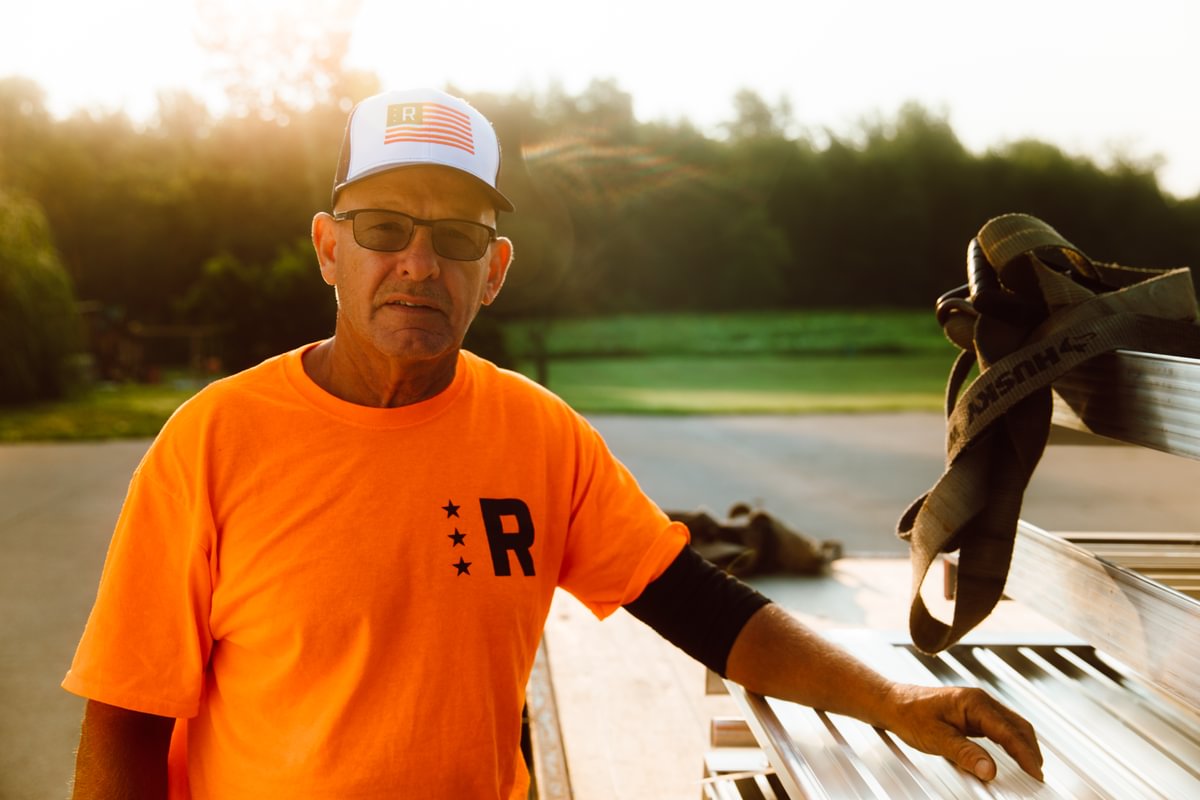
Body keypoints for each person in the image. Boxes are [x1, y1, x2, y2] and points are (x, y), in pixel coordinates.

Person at [64, 88, 1043, 799]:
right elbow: (126, 717)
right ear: (329, 247)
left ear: (493, 270)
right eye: (382, 225)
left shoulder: (537, 435)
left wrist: (893, 696)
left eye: (454, 236)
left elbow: (705, 608)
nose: (416, 261)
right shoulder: (214, 440)